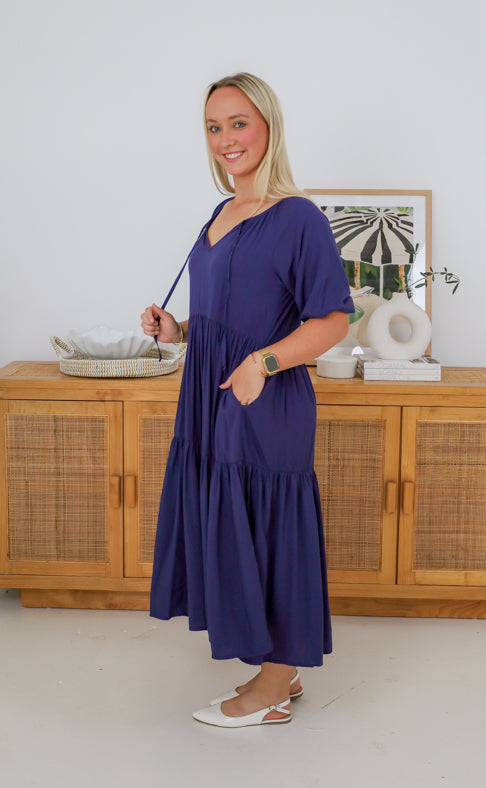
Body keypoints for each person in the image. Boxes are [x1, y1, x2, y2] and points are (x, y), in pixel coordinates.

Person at [140, 72, 354, 728]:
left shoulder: (299, 218)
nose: (226, 139)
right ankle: (275, 674)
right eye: (214, 127)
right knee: (235, 523)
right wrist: (176, 330)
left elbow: (334, 319)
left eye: (239, 123)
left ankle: (273, 683)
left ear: (268, 127)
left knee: (269, 528)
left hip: (267, 402)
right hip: (210, 397)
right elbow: (228, 307)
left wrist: (263, 363)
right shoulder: (220, 213)